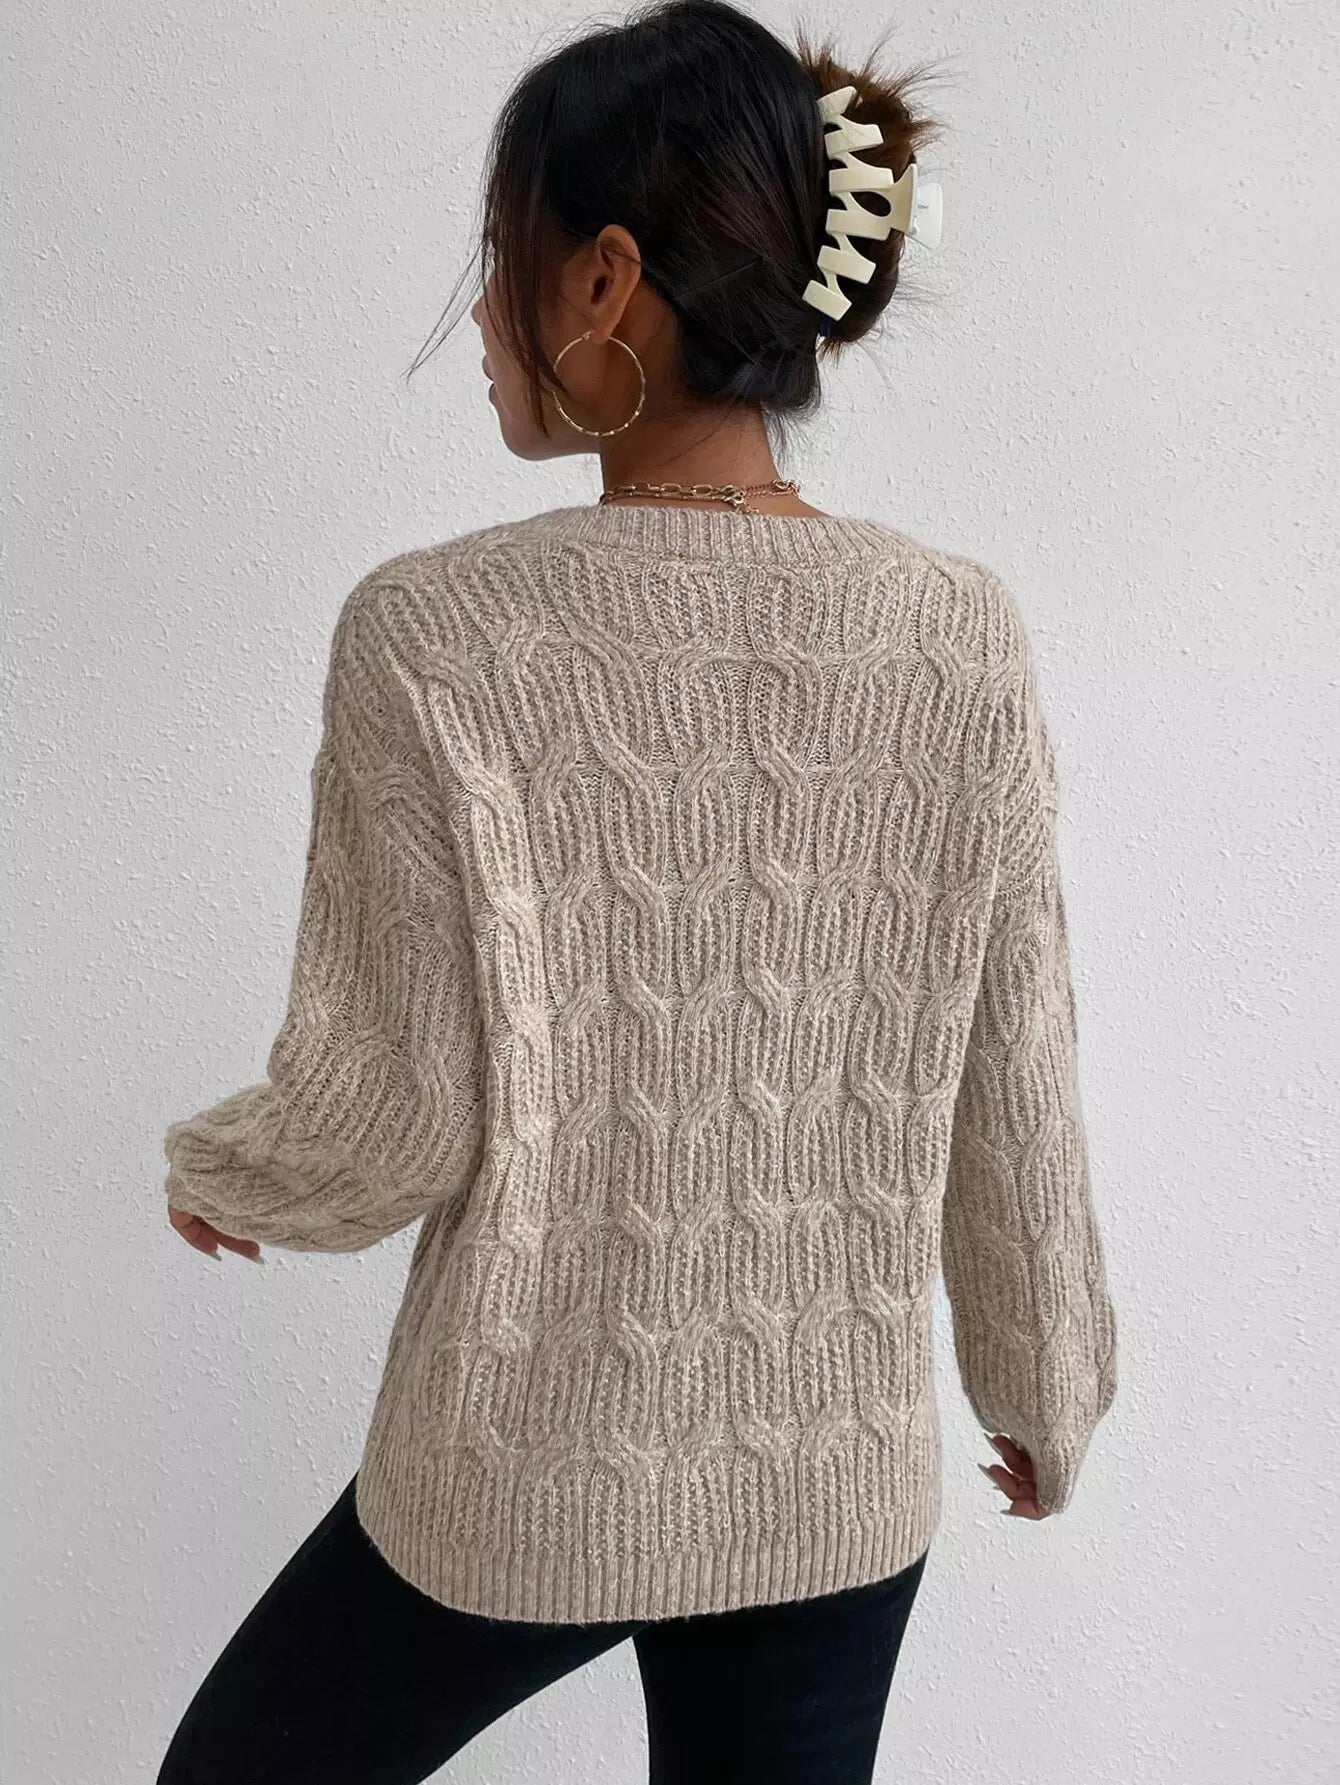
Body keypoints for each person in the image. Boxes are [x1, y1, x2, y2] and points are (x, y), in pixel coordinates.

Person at [156, 3, 1118, 1780]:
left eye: (500, 259)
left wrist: (236, 1169)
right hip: (830, 1472)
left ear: (605, 281)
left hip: (531, 1461)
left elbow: (396, 1117)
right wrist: (1044, 1374)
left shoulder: (434, 635)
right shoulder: (954, 635)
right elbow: (1016, 1059)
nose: (480, 318)